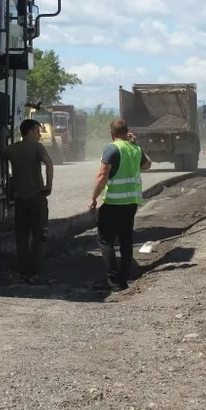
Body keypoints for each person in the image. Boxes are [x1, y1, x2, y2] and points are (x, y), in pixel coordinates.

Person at [89, 118, 151, 291]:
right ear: (127, 132)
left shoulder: (111, 148)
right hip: (131, 203)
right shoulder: (136, 149)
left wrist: (94, 198)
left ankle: (113, 281)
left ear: (112, 133)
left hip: (113, 202)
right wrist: (137, 144)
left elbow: (102, 176)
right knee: (126, 240)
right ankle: (124, 277)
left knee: (105, 240)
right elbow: (148, 165)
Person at [4, 118, 54, 283]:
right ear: (30, 131)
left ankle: (23, 270)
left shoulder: (12, 149)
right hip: (36, 197)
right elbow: (49, 164)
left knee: (22, 236)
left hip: (20, 199)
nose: (40, 135)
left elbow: (1, 160)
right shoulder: (36, 147)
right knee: (39, 234)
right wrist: (48, 185)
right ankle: (36, 270)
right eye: (38, 131)